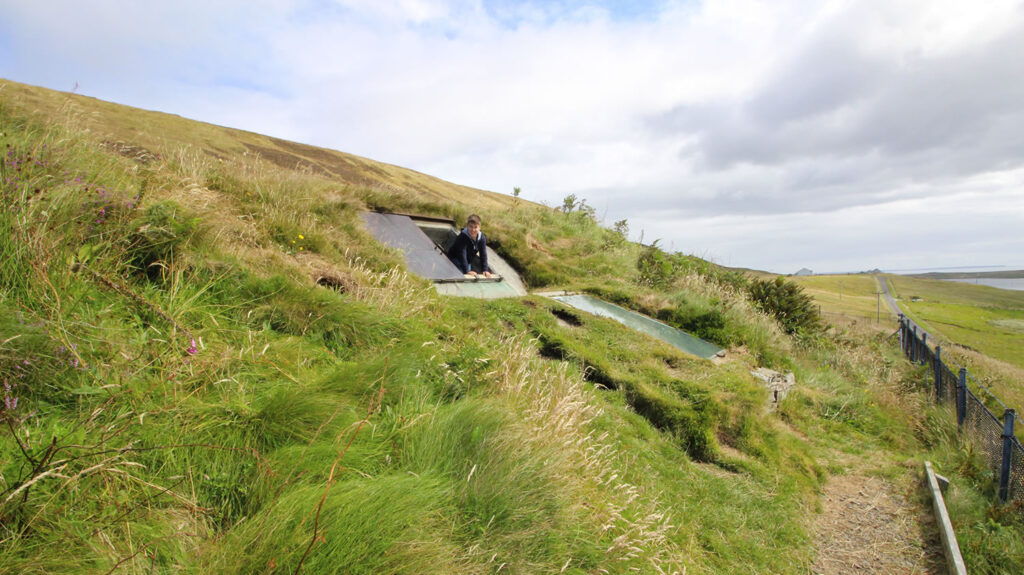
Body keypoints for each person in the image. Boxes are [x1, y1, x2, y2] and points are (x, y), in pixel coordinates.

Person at [447, 214, 494, 278]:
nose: (473, 230)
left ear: (479, 228)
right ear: (467, 226)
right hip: (455, 258)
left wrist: (485, 269)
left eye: (475, 227)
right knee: (461, 276)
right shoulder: (463, 236)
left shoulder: (482, 238)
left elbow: (483, 254)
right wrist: (467, 271)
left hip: (467, 261)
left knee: (469, 275)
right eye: (471, 226)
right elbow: (462, 254)